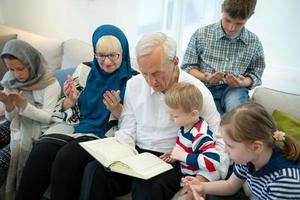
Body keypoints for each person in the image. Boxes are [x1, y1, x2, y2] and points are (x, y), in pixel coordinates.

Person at [80, 32, 229, 200]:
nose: (151, 81)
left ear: (175, 62)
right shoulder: (134, 84)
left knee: (148, 189)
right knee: (94, 172)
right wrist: (118, 156)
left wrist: (202, 180)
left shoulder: (197, 92)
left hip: (171, 159)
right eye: (145, 73)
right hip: (135, 153)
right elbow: (127, 128)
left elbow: (220, 143)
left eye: (157, 73)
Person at [15, 24, 132, 200]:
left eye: (113, 56)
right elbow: (63, 108)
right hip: (74, 125)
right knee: (41, 151)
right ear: (94, 53)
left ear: (123, 53)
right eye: (101, 55)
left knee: (66, 159)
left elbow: (134, 125)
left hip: (104, 135)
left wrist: (117, 111)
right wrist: (70, 101)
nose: (107, 62)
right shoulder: (84, 69)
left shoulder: (133, 81)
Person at [183, 102, 300, 200]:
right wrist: (202, 187)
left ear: (256, 147)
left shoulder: (285, 181)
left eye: (230, 146)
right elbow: (230, 186)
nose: (225, 150)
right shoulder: (247, 158)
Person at [181, 0, 265, 115]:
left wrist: (242, 82)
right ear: (221, 9)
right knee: (212, 120)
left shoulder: (254, 42)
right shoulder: (201, 34)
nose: (231, 27)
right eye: (228, 20)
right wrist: (204, 77)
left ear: (250, 16)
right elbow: (187, 67)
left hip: (235, 90)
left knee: (238, 116)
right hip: (205, 88)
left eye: (239, 23)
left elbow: (255, 74)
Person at [0, 39, 61, 194]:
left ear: (31, 63)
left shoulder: (50, 84)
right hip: (16, 122)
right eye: (11, 69)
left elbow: (47, 117)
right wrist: (8, 105)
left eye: (20, 68)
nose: (16, 74)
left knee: (2, 159)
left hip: (36, 129)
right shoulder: (9, 79)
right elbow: (10, 117)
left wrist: (24, 105)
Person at [164, 82, 222, 199]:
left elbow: (213, 162)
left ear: (193, 114)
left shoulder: (200, 134)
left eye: (174, 116)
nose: (170, 119)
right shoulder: (186, 125)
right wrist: (174, 155)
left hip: (201, 181)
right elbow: (188, 150)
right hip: (188, 176)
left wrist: (183, 156)